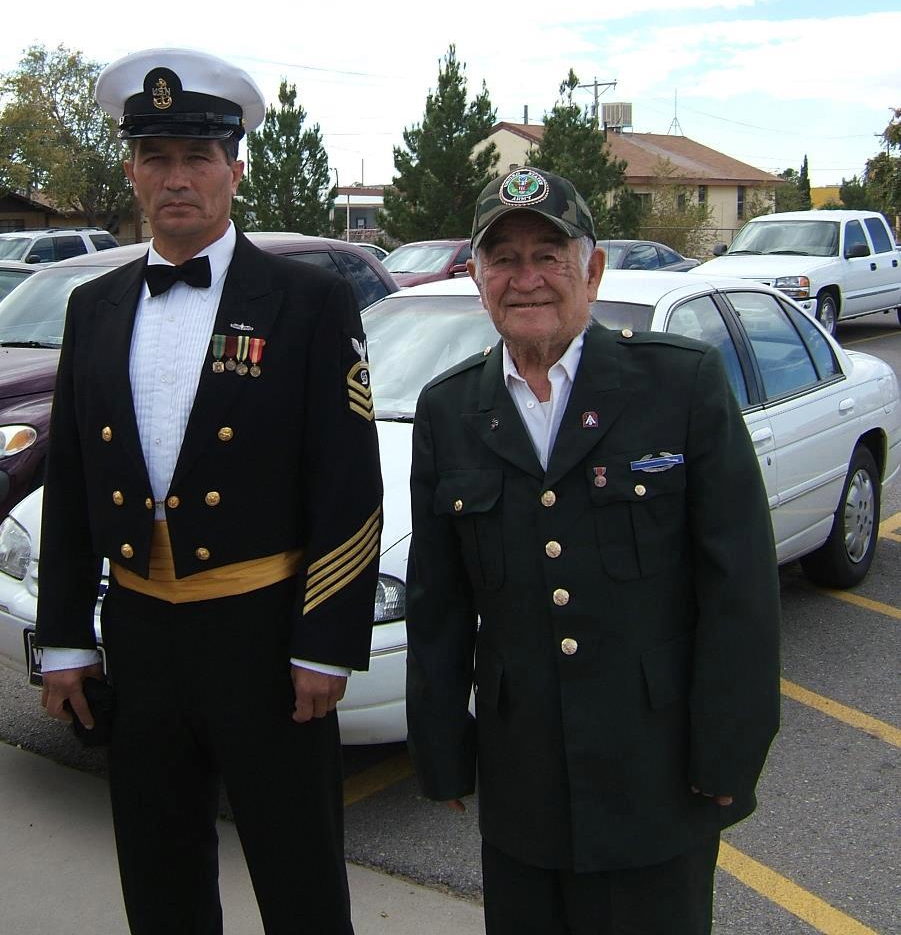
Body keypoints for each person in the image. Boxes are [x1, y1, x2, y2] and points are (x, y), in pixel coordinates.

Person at [35, 48, 382, 935]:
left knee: (299, 879)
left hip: (264, 637)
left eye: (197, 158)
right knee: (159, 880)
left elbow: (347, 483)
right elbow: (71, 482)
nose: (177, 179)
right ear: (132, 173)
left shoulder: (307, 300)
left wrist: (327, 644)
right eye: (157, 159)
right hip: (141, 633)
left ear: (235, 167)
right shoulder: (96, 305)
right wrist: (67, 636)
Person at [404, 167, 780, 935]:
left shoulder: (679, 386)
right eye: (502, 258)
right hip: (522, 783)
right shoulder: (449, 412)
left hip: (656, 773)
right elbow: (438, 602)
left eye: (550, 254)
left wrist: (728, 756)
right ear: (477, 278)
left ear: (593, 269)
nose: (527, 278)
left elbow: (737, 591)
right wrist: (442, 747)